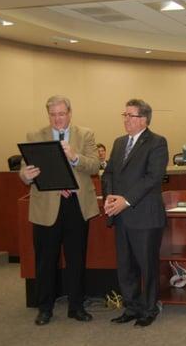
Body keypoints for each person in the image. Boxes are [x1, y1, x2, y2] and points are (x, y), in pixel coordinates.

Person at [18, 95, 100, 326]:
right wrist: (26, 176)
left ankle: (76, 307)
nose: (57, 119)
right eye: (53, 115)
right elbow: (25, 172)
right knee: (45, 260)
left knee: (76, 258)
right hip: (46, 206)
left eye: (62, 114)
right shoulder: (35, 136)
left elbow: (94, 165)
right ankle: (44, 308)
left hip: (76, 205)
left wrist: (74, 157)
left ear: (70, 113)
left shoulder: (85, 135)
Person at [102, 99, 169, 327]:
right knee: (125, 265)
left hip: (145, 216)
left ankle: (149, 309)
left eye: (130, 115)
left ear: (144, 119)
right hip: (120, 215)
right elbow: (108, 173)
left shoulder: (157, 143)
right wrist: (110, 197)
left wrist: (126, 200)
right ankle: (131, 307)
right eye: (125, 115)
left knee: (147, 265)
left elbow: (152, 178)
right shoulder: (119, 142)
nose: (126, 119)